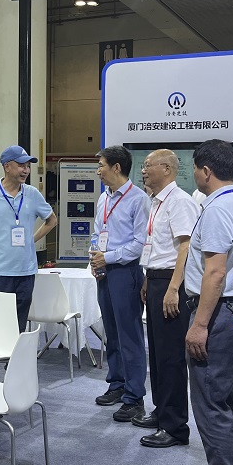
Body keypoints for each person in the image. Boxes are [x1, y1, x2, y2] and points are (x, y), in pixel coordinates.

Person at [180, 139, 233, 465]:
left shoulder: (216, 210)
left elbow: (215, 272)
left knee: (211, 405)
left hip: (219, 314)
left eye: (195, 168)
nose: (193, 174)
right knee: (227, 402)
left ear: (205, 171)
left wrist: (199, 324)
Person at [138, 149, 200, 448]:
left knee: (171, 357)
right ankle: (161, 411)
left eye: (148, 165)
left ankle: (175, 427)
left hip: (172, 283)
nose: (143, 170)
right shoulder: (156, 202)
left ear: (166, 169)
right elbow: (156, 246)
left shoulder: (180, 201)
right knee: (157, 354)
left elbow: (186, 247)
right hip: (156, 279)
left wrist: (174, 288)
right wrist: (148, 279)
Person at [90, 145, 151, 424]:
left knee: (130, 335)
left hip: (126, 271)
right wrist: (94, 258)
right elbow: (97, 232)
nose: (98, 171)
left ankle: (134, 398)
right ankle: (117, 384)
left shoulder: (139, 199)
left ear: (116, 167)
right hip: (104, 270)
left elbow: (140, 243)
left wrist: (109, 257)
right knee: (112, 332)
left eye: (101, 165)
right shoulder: (104, 198)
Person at [0, 145, 57, 337]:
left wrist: (31, 240)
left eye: (28, 166)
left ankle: (16, 357)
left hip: (25, 273)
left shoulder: (32, 194)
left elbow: (52, 220)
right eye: (21, 166)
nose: (26, 170)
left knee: (19, 326)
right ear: (7, 166)